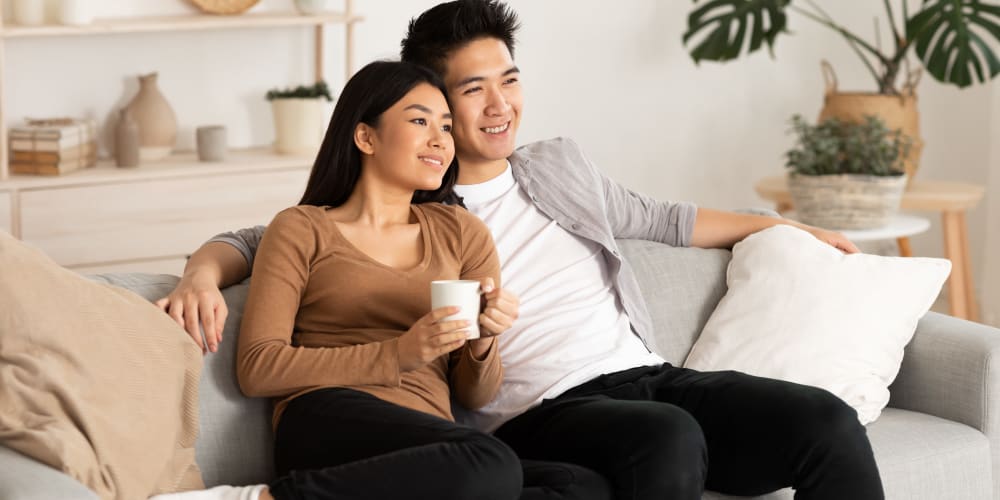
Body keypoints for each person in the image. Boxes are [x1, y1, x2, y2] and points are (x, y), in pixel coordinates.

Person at [158, 1, 883, 499]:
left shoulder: (555, 168)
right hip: (543, 412)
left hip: (647, 374)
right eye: (469, 92)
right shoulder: (418, 207)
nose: (497, 105)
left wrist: (785, 228)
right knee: (665, 439)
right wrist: (200, 269)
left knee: (824, 423)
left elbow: (664, 217)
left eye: (508, 80)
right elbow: (274, 236)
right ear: (427, 104)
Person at [153, 60, 612, 500]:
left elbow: (476, 392)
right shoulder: (302, 227)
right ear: (365, 136)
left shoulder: (463, 232)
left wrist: (484, 339)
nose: (441, 140)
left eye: (447, 127)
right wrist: (399, 353)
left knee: (580, 485)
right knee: (488, 463)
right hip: (326, 418)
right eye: (420, 122)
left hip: (431, 443)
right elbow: (258, 367)